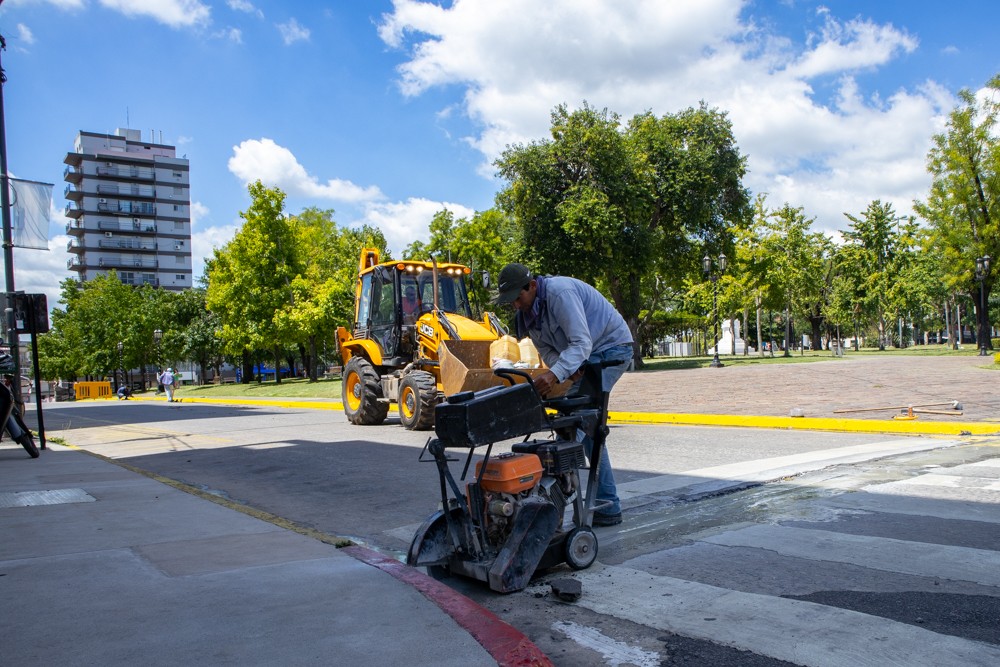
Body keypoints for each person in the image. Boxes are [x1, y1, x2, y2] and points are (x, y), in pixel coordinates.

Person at [492, 263, 634, 526]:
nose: (515, 306)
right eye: (510, 301)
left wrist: (557, 373)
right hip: (588, 355)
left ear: (532, 285)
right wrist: (566, 368)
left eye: (517, 298)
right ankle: (608, 506)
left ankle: (552, 508)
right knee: (588, 429)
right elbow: (547, 351)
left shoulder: (559, 293)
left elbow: (582, 343)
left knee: (573, 428)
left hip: (611, 350)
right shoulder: (527, 315)